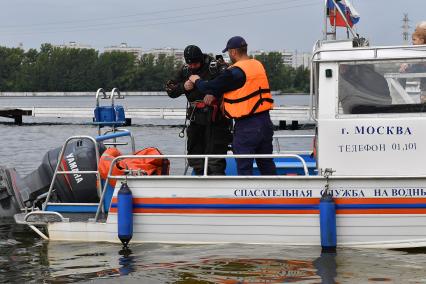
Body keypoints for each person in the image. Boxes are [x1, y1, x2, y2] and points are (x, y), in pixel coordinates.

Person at [188, 36, 276, 176]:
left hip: (247, 126)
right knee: (266, 164)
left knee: (244, 166)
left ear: (233, 52)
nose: (228, 55)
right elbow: (245, 86)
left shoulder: (235, 72)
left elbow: (209, 87)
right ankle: (274, 195)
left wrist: (196, 79)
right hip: (265, 122)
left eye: (228, 52)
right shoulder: (257, 65)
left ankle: (245, 197)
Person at [165, 45, 231, 175]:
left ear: (201, 59)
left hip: (216, 119)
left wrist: (214, 94)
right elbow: (170, 90)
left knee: (215, 160)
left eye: (195, 63)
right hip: (196, 119)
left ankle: (218, 187)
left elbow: (230, 83)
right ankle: (200, 184)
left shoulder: (215, 66)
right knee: (195, 158)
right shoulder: (185, 70)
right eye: (190, 64)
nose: (193, 66)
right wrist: (183, 87)